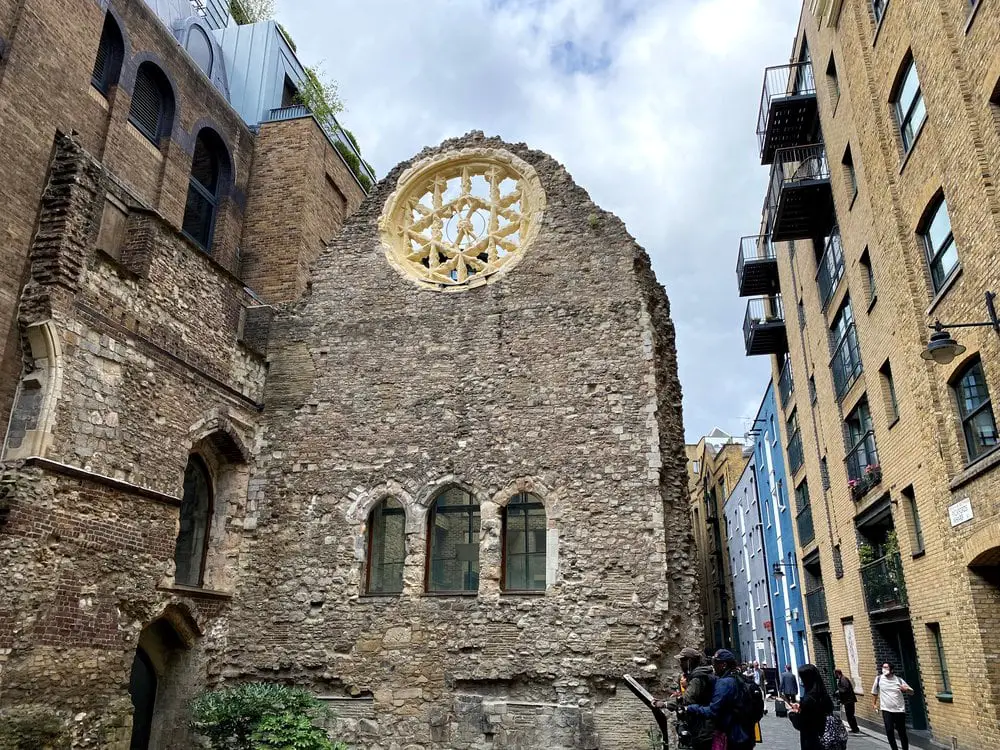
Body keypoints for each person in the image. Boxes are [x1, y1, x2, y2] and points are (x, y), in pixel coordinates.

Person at [685, 649, 755, 750]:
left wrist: (692, 708)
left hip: (731, 736)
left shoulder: (724, 683)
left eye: (715, 663)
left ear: (724, 665)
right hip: (745, 734)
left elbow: (713, 711)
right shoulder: (739, 678)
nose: (713, 666)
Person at [654, 647, 717, 750]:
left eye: (682, 661)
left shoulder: (698, 677)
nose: (680, 664)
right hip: (702, 725)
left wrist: (664, 704)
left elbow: (688, 699)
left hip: (702, 727)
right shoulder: (699, 674)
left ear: (690, 661)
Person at [787, 664, 834, 750]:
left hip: (811, 739)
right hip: (827, 736)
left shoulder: (808, 699)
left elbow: (801, 723)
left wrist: (792, 713)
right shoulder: (823, 694)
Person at [872, 662, 913, 750]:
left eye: (886, 667)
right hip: (886, 709)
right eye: (883, 667)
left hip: (899, 710)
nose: (884, 669)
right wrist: (874, 704)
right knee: (889, 730)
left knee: (901, 731)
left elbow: (912, 692)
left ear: (892, 670)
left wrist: (906, 690)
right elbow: (875, 692)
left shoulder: (899, 680)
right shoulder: (879, 679)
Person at [834, 668, 860, 733]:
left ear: (837, 673)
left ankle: (855, 729)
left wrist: (838, 691)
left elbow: (845, 689)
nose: (835, 676)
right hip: (847, 700)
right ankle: (854, 728)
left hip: (849, 700)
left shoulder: (843, 679)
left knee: (850, 715)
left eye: (835, 674)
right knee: (850, 715)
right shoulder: (841, 679)